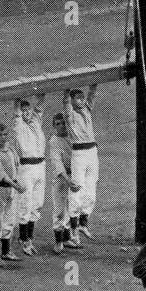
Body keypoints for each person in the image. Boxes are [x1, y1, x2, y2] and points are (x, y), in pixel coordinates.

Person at [11, 94, 47, 256]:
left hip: (40, 166)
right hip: (26, 167)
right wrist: (17, 101)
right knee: (25, 203)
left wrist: (43, 93)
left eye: (28, 110)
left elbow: (40, 108)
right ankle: (24, 238)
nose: (26, 113)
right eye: (23, 110)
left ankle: (29, 237)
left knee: (37, 203)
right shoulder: (18, 125)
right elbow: (17, 113)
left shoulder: (36, 122)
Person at [63, 85, 99, 245]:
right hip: (79, 153)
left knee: (91, 189)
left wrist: (93, 84)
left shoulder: (86, 109)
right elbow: (65, 102)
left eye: (82, 98)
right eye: (78, 98)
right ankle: (73, 229)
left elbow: (92, 95)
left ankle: (84, 224)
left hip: (92, 151)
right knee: (77, 189)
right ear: (72, 100)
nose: (82, 100)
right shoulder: (70, 114)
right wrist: (65, 90)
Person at [0, 121, 27, 265]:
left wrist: (16, 182)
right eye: (0, 135)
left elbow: (15, 169)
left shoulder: (11, 150)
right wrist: (16, 185)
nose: (3, 137)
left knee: (10, 221)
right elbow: (1, 174)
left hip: (11, 189)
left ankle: (6, 252)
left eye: (5, 134)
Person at [47, 112, 82, 253]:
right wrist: (69, 181)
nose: (61, 126)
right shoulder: (54, 141)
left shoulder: (72, 137)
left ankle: (68, 238)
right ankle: (58, 241)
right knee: (60, 210)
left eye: (63, 123)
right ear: (54, 126)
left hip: (73, 174)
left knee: (73, 206)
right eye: (58, 124)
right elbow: (57, 164)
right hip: (61, 177)